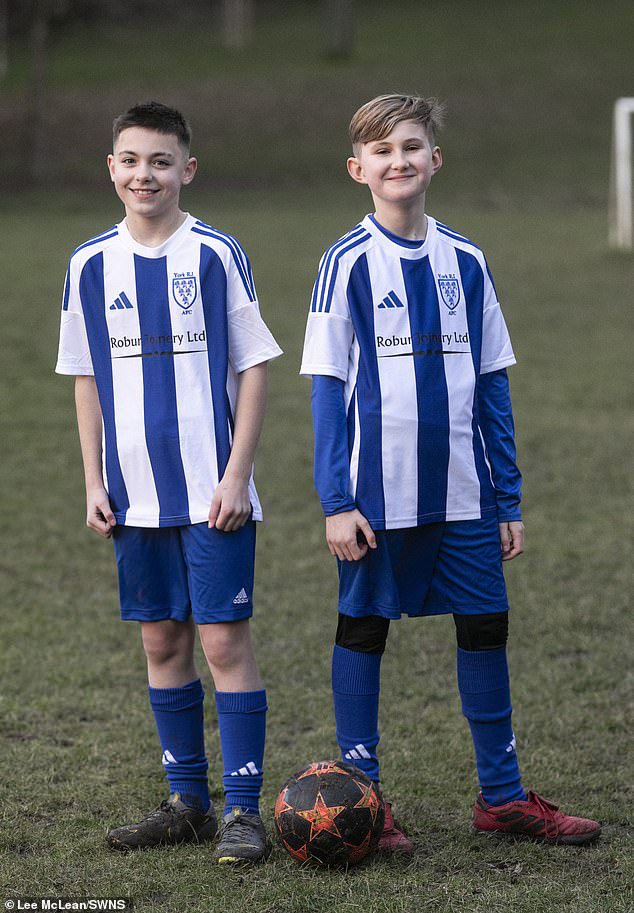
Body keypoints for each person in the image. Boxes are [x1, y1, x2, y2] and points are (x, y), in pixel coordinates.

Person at [300, 93, 600, 851]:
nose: (397, 160)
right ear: (356, 168)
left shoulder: (465, 260)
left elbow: (493, 383)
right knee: (364, 628)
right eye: (381, 150)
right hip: (377, 496)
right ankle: (363, 799)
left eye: (410, 146)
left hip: (466, 492)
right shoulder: (345, 263)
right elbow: (328, 394)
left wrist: (508, 495)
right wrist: (336, 500)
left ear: (435, 158)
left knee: (487, 627)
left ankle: (501, 797)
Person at [56, 102, 282, 864]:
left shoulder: (216, 253)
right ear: (111, 169)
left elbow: (252, 367)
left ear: (187, 169)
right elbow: (85, 379)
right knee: (162, 638)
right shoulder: (89, 264)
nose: (143, 173)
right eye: (129, 160)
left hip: (213, 490)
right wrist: (92, 478)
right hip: (132, 493)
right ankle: (188, 799)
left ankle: (243, 809)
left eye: (160, 161)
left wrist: (237, 475)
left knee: (222, 639)